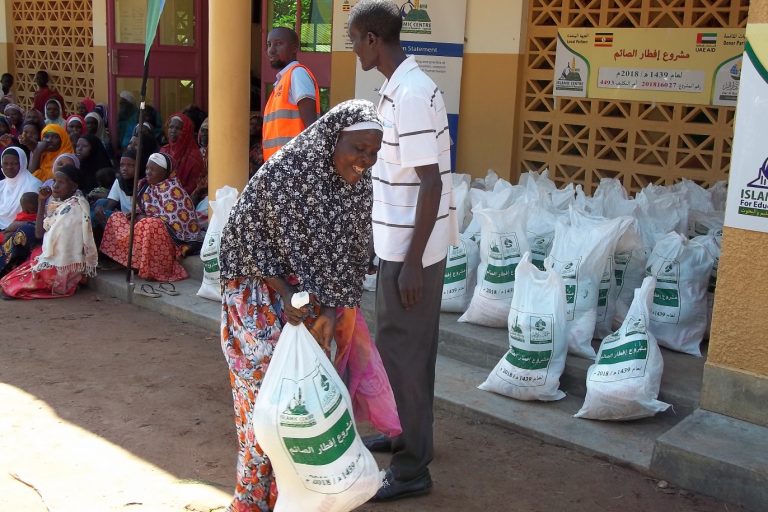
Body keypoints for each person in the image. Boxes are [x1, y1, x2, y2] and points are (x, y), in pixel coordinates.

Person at [218, 99, 384, 512]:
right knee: (267, 409)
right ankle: (254, 502)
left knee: (308, 409)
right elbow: (247, 236)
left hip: (313, 305)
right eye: (358, 148)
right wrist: (284, 291)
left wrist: (328, 311)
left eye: (373, 152)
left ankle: (301, 500)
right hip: (259, 293)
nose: (365, 159)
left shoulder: (359, 186)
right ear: (333, 138)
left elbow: (351, 255)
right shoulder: (290, 172)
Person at [348, 0, 459, 501]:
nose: (353, 50)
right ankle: (405, 437)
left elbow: (430, 184)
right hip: (400, 246)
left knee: (406, 357)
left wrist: (411, 262)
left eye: (354, 40)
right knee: (405, 355)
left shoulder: (410, 94)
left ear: (373, 39)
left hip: (411, 255)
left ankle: (413, 469)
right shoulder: (400, 89)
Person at [100, 152, 203, 282]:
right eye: (147, 168)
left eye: (153, 170)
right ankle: (134, 263)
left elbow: (178, 225)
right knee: (116, 218)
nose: (148, 172)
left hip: (170, 241)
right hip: (144, 227)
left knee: (150, 225)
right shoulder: (146, 187)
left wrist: (146, 218)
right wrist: (137, 215)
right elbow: (142, 210)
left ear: (165, 173)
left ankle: (154, 268)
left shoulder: (174, 192)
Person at [0, 164, 97, 299]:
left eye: (61, 182)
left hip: (64, 264)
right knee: (7, 282)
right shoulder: (60, 204)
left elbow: (59, 248)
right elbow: (39, 233)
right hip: (53, 257)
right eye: (55, 181)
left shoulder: (74, 207)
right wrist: (41, 201)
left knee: (12, 287)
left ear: (74, 186)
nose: (55, 186)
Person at [262, 27, 320, 161]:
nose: (271, 50)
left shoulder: (297, 74)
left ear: (294, 48)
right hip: (281, 165)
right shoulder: (283, 79)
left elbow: (312, 125)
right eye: (269, 44)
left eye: (278, 44)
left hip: (294, 163)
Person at [160, 113, 205, 195]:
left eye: (178, 128)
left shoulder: (194, 157)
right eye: (171, 127)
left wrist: (172, 194)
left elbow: (194, 186)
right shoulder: (164, 150)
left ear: (186, 131)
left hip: (183, 199)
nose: (173, 131)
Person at [0, 146, 41, 232]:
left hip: (19, 230)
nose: (9, 167)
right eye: (5, 163)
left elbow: (34, 217)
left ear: (22, 163)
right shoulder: (1, 185)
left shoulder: (33, 185)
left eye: (14, 163)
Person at [248, 112, 264, 177]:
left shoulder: (263, 143)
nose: (253, 127)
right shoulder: (243, 142)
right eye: (251, 124)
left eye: (257, 124)